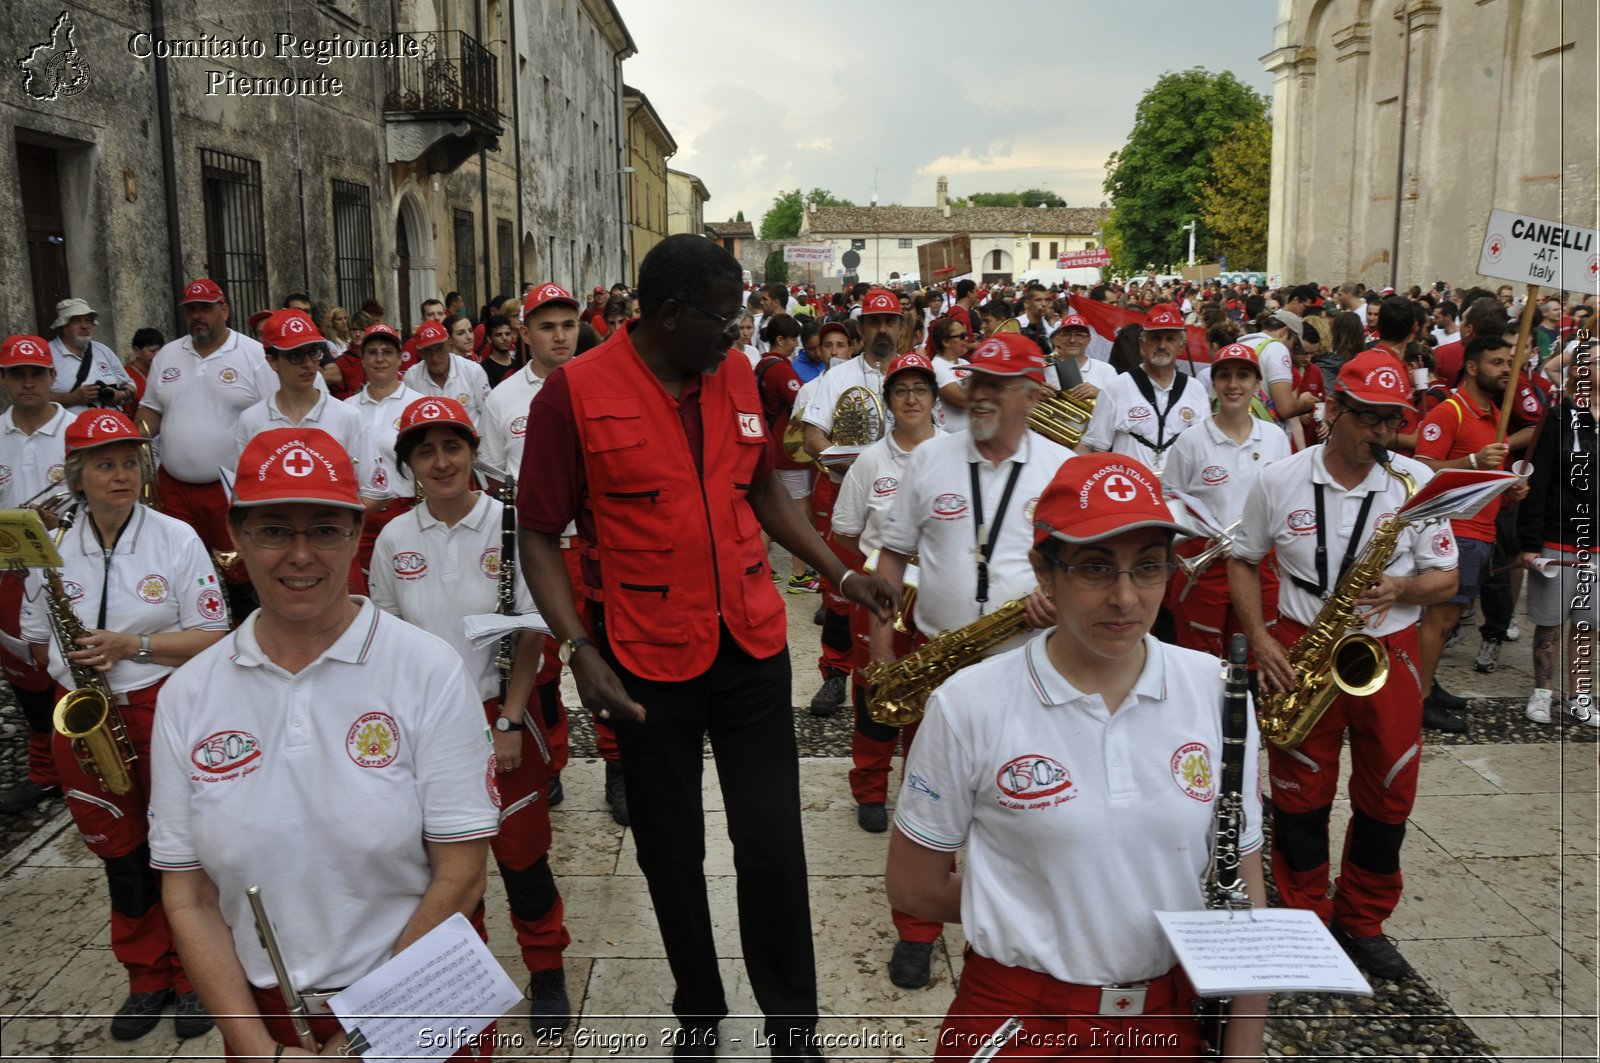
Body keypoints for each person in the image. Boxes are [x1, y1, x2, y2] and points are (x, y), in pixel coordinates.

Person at [516, 234, 896, 1060]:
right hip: (644, 662)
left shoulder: (731, 373)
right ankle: (698, 1008)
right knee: (671, 849)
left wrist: (843, 569)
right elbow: (538, 533)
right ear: (671, 314)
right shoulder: (573, 394)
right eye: (724, 320)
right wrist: (578, 646)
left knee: (770, 842)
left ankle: (793, 1029)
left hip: (752, 643)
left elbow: (761, 487)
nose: (739, 337)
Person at [887, 452, 1268, 1060]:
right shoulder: (969, 703)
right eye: (1095, 568)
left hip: (1166, 1019)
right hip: (1018, 1016)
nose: (1125, 598)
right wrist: (1057, 901)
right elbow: (912, 889)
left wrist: (1243, 1046)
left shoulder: (1217, 690)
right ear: (1045, 571)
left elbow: (1243, 892)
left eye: (1147, 568)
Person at [150, 427, 498, 1060]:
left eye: (326, 530)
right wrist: (256, 1046)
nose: (301, 555)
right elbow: (191, 894)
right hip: (271, 1022)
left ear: (356, 535)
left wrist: (363, 1039)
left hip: (419, 998)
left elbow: (461, 873)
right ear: (236, 537)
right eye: (275, 529)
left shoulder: (426, 668)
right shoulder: (188, 694)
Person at [1229, 350, 1459, 981]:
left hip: (1389, 651)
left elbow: (1447, 578)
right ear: (1333, 411)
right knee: (1300, 796)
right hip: (1303, 644)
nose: (1383, 434)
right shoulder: (1278, 480)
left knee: (1390, 793)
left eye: (1392, 421)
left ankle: (1363, 920)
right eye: (1370, 419)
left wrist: (1402, 590)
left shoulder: (1415, 483)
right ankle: (1306, 916)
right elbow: (1244, 560)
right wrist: (1261, 638)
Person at [869, 333, 1069, 989]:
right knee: (927, 796)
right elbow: (892, 557)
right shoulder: (929, 459)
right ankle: (917, 931)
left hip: (1029, 659)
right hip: (936, 655)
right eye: (976, 379)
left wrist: (1057, 601)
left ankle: (1012, 917)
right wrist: (880, 652)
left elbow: (1087, 570)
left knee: (1024, 794)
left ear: (1031, 395)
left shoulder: (1062, 469)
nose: (977, 393)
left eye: (996, 383)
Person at [21, 410, 228, 1039]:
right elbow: (35, 643)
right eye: (105, 464)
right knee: (121, 854)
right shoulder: (47, 547)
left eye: (129, 461)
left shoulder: (175, 536)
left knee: (181, 849)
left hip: (160, 705)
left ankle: (197, 975)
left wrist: (130, 649)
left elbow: (214, 634)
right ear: (77, 476)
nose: (121, 475)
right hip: (82, 716)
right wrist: (73, 661)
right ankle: (146, 976)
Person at [370, 397, 571, 1034]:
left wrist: (509, 721)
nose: (441, 462)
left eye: (451, 447)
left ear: (472, 451)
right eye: (424, 452)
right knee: (447, 868)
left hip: (498, 711)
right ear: (409, 465)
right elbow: (387, 635)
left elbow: (532, 632)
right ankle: (464, 979)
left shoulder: (509, 525)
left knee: (522, 856)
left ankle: (546, 969)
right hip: (425, 725)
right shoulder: (395, 537)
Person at [480, 283, 589, 818]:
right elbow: (494, 478)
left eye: (568, 325)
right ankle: (551, 763)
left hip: (590, 546)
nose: (560, 336)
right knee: (540, 664)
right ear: (525, 334)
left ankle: (619, 769)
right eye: (547, 326)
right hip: (534, 548)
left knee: (605, 653)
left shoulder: (599, 386)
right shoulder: (501, 399)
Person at [137, 278, 279, 620]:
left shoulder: (254, 354)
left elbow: (275, 413)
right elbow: (151, 408)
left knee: (239, 575)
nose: (198, 316)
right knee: (178, 569)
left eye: (206, 308)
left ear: (224, 310)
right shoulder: (168, 354)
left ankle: (250, 639)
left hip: (230, 489)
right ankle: (190, 645)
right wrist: (134, 440)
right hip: (173, 487)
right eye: (191, 310)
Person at [1412, 335, 1531, 729]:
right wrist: (1475, 460)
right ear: (1474, 367)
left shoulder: (1495, 415)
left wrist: (1508, 486)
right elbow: (1423, 469)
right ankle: (1419, 699)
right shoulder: (1449, 413)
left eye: (1509, 362)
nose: (1506, 370)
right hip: (1455, 530)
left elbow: (1483, 477)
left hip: (1482, 530)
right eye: (1498, 362)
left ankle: (1429, 683)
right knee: (1439, 619)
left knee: (1451, 618)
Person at [801, 289, 904, 714]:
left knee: (908, 591)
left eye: (890, 321)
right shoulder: (836, 378)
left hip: (905, 502)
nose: (882, 329)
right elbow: (812, 438)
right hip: (846, 494)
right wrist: (857, 467)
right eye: (874, 322)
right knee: (840, 589)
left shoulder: (918, 376)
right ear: (861, 329)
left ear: (901, 327)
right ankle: (835, 675)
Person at [1163, 343, 1291, 656]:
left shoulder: (1275, 437)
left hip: (1261, 564)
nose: (1233, 385)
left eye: (1243, 376)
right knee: (1201, 652)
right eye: (1225, 376)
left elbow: (1286, 499)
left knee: (1257, 650)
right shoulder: (1191, 440)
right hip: (1207, 565)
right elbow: (1170, 502)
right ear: (1214, 383)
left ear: (1257, 384)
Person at [0, 335, 75, 815]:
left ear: (52, 377)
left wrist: (62, 523)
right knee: (24, 674)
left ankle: (85, 763)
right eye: (17, 374)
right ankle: (45, 772)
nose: (28, 382)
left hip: (70, 568)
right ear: (5, 380)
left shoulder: (76, 430)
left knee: (74, 667)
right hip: (7, 571)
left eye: (36, 373)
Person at [1520, 344, 1596, 725]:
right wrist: (1530, 544)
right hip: (1557, 535)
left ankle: (1580, 695)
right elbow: (1538, 479)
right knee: (1549, 621)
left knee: (1588, 624)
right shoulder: (1558, 418)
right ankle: (1542, 693)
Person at [230, 310, 368, 474]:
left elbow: (374, 492)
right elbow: (243, 491)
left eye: (313, 352)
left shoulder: (348, 417)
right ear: (272, 361)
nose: (308, 364)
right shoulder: (251, 421)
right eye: (295, 355)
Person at [342, 324, 424, 592]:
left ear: (400, 357)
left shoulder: (417, 404)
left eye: (387, 352)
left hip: (404, 512)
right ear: (362, 358)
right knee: (360, 592)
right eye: (373, 352)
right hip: (359, 515)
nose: (379, 359)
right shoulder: (345, 409)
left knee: (405, 589)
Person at [1080, 305, 1207, 475]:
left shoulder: (1196, 389)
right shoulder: (1115, 388)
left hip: (1180, 495)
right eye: (1155, 338)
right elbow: (1094, 449)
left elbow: (1203, 451)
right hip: (1130, 495)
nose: (1162, 345)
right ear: (1142, 344)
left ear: (1181, 346)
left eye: (1170, 339)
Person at [46, 297, 138, 414]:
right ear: (63, 326)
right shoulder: (47, 353)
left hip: (111, 427)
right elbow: (35, 398)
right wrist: (72, 398)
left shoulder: (103, 351)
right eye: (76, 321)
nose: (84, 326)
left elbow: (130, 385)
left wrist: (120, 395)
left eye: (88, 320)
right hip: (70, 430)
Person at [404, 320, 492, 427]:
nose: (435, 358)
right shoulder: (411, 378)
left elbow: (489, 415)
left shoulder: (472, 371)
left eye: (439, 349)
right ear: (420, 353)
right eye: (428, 351)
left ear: (449, 344)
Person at [927, 317, 973, 435]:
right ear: (946, 342)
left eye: (966, 334)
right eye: (962, 336)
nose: (967, 339)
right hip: (951, 439)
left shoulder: (966, 363)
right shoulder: (936, 366)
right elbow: (962, 401)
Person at [124, 328, 164, 410]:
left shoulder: (165, 370)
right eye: (152, 351)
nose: (158, 355)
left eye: (161, 350)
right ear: (137, 351)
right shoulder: (126, 376)